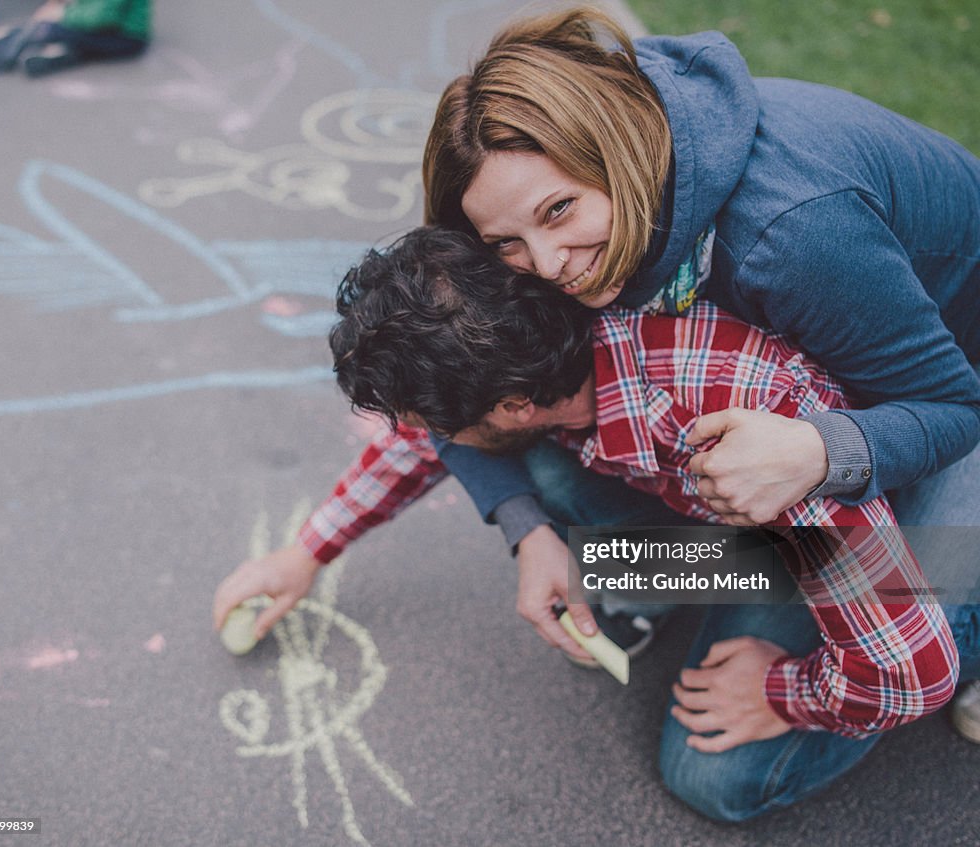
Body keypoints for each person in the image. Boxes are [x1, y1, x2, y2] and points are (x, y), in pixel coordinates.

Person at [214, 227, 970, 821]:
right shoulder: (535, 320)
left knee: (714, 776)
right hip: (780, 519)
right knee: (542, 480)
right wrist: (307, 552)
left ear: (512, 407)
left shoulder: (732, 431)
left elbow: (909, 671)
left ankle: (966, 597)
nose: (427, 436)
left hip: (889, 484)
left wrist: (779, 690)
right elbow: (427, 437)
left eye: (438, 423)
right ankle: (691, 590)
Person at [419, 5, 980, 741]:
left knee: (725, 774)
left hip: (946, 388)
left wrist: (817, 450)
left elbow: (954, 405)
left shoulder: (791, 235)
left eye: (559, 211)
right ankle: (749, 580)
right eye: (506, 243)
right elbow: (439, 377)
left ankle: (963, 620)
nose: (548, 266)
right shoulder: (596, 196)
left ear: (610, 150)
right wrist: (526, 529)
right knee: (551, 487)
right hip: (835, 379)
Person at [0, 0, 149, 77]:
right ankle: (55, 57)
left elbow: (101, 18)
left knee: (43, 30)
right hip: (110, 31)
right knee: (48, 30)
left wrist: (62, 14)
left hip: (125, 38)